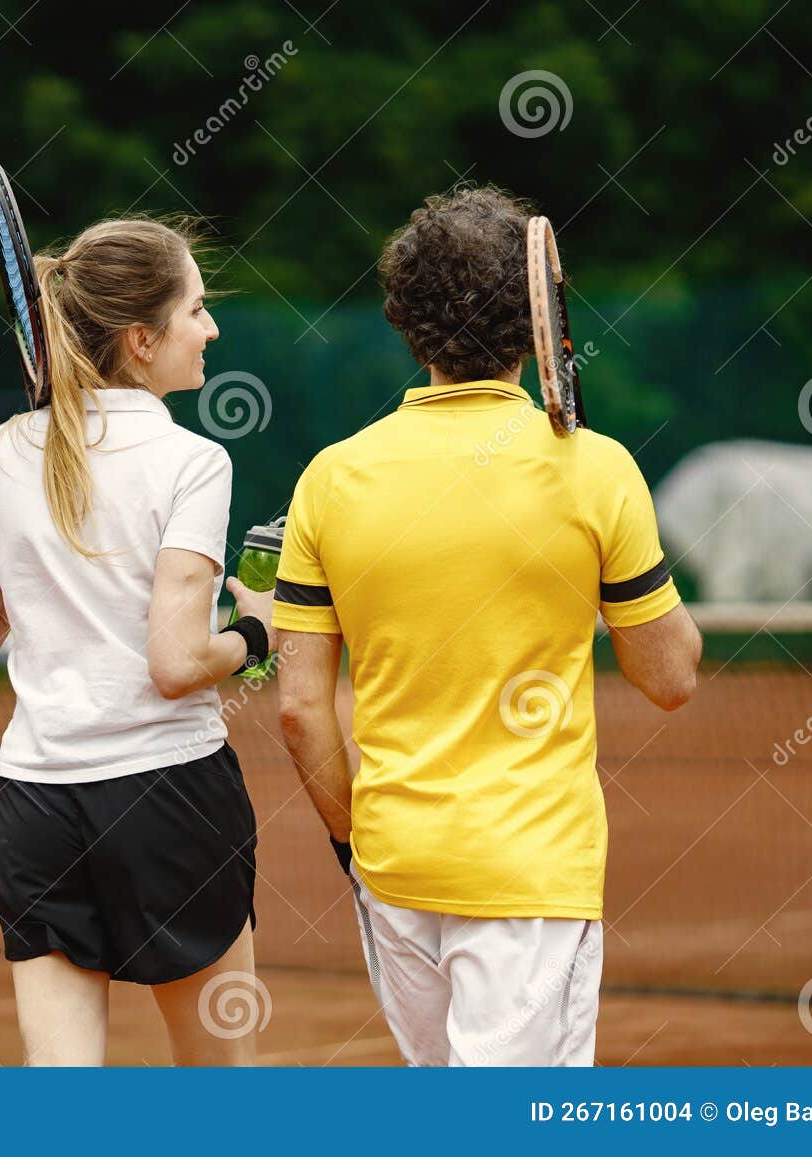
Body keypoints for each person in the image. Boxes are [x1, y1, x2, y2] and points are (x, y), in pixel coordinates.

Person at [272, 186, 702, 1066]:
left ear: (403, 317)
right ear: (533, 314)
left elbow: (298, 710)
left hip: (393, 868)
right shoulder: (599, 469)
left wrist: (356, 845)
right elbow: (670, 677)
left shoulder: (329, 477)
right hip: (532, 872)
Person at [0, 217, 276, 1066]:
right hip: (172, 798)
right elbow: (176, 664)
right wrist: (259, 628)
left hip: (39, 807)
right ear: (141, 337)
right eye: (197, 310)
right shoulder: (196, 461)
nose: (211, 329)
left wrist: (36, 574)